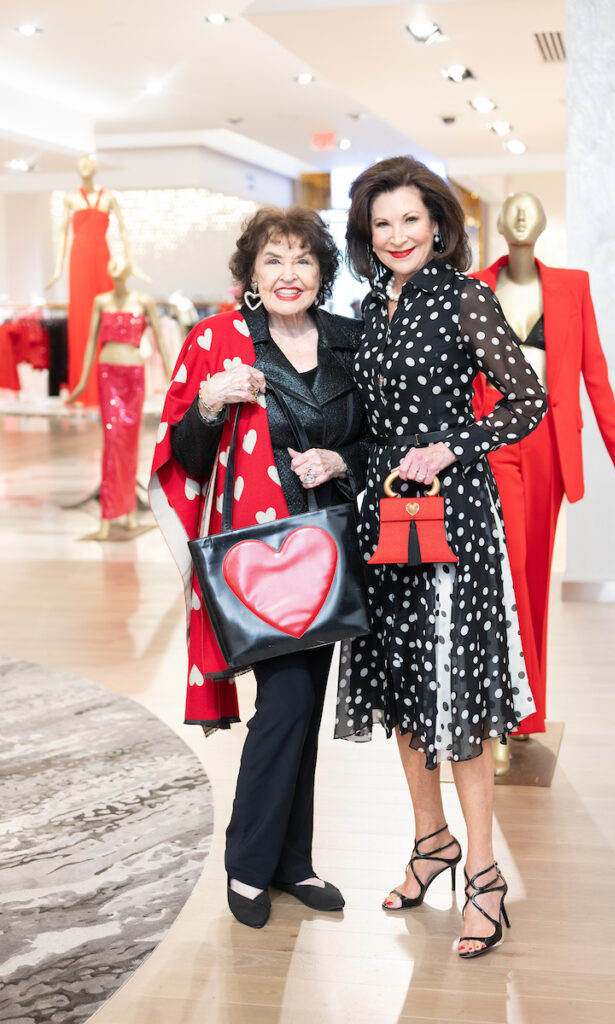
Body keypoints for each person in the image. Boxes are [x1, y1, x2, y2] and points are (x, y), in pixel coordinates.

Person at [337, 156, 547, 957]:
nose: (396, 235)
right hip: (383, 519)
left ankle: (487, 878)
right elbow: (366, 424)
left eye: (410, 220)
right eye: (381, 223)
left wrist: (450, 446)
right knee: (400, 690)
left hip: (452, 524)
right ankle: (432, 844)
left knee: (452, 696)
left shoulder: (465, 295)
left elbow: (529, 401)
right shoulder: (370, 309)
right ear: (368, 232)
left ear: (437, 223)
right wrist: (343, 465)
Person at [148, 206, 367, 929]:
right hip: (259, 560)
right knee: (288, 704)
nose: (288, 274)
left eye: (302, 260)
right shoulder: (218, 342)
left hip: (330, 552)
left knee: (302, 709)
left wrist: (342, 460)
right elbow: (182, 459)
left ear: (321, 273)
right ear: (250, 272)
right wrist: (209, 402)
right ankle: (249, 864)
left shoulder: (347, 341)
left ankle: (290, 861)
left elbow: (380, 437)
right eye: (273, 260)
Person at [471, 192, 615, 759]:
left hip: (550, 444)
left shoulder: (572, 285)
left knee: (532, 575)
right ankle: (501, 706)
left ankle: (527, 714)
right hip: (493, 439)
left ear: (545, 220)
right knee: (504, 567)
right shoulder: (475, 284)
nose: (523, 215)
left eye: (532, 207)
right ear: (499, 223)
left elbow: (591, 368)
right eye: (513, 207)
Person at [67, 257, 171, 540]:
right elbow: (91, 341)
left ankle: (126, 511)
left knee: (129, 442)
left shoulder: (144, 301)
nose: (116, 279)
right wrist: (80, 383)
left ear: (127, 275)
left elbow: (161, 341)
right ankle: (108, 513)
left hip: (133, 377)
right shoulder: (101, 301)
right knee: (112, 441)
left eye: (120, 275)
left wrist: (175, 376)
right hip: (108, 376)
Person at [46, 153, 148, 407]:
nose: (85, 165)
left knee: (104, 321)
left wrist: (131, 264)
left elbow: (123, 231)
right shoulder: (70, 198)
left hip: (102, 259)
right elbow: (62, 234)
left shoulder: (109, 197)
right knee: (80, 320)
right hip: (78, 260)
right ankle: (83, 389)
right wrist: (57, 270)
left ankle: (107, 384)